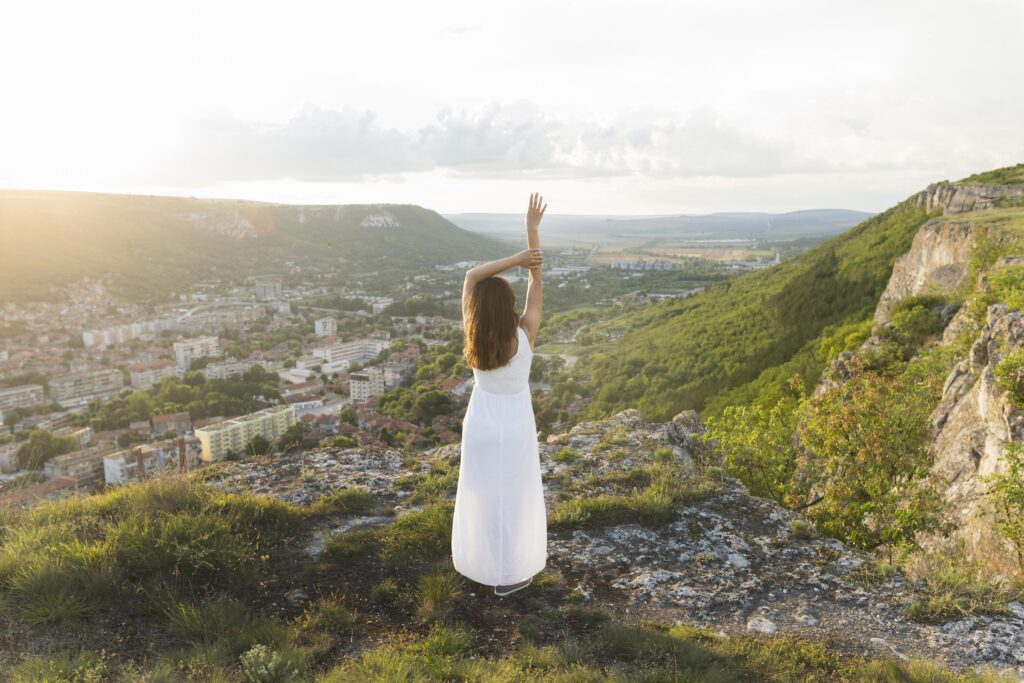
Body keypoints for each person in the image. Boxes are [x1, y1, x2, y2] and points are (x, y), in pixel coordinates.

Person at [451, 192, 548, 597]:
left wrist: (514, 257)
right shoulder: (524, 335)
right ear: (509, 305)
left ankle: (486, 564)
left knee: (484, 493)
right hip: (516, 423)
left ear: (476, 310)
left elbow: (473, 276)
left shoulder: (475, 336)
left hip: (482, 422)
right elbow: (537, 281)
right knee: (516, 493)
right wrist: (531, 235)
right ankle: (512, 575)